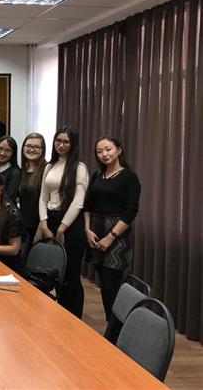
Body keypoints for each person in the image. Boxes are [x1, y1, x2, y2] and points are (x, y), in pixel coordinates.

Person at [84, 136, 141, 320]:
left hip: (117, 236)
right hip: (95, 232)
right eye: (99, 151)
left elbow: (131, 212)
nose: (104, 154)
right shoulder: (97, 175)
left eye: (108, 149)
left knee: (112, 286)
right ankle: (113, 327)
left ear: (119, 150)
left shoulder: (129, 177)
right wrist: (87, 230)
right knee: (104, 285)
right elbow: (87, 206)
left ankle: (118, 329)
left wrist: (111, 236)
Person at [36, 126, 89, 317]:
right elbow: (43, 197)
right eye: (58, 141)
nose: (61, 145)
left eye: (66, 142)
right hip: (50, 220)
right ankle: (59, 316)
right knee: (54, 272)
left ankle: (74, 318)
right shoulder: (49, 166)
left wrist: (62, 228)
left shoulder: (79, 168)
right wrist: (44, 222)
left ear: (73, 144)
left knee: (70, 275)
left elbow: (78, 202)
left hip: (71, 224)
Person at [18, 133, 47, 245]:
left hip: (39, 226)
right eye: (28, 146)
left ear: (43, 150)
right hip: (23, 225)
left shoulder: (47, 170)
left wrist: (41, 226)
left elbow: (47, 202)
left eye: (36, 147)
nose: (31, 150)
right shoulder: (22, 171)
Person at [0, 136, 20, 204]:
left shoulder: (15, 173)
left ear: (13, 153)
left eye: (8, 150)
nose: (2, 153)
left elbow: (9, 199)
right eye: (0, 148)